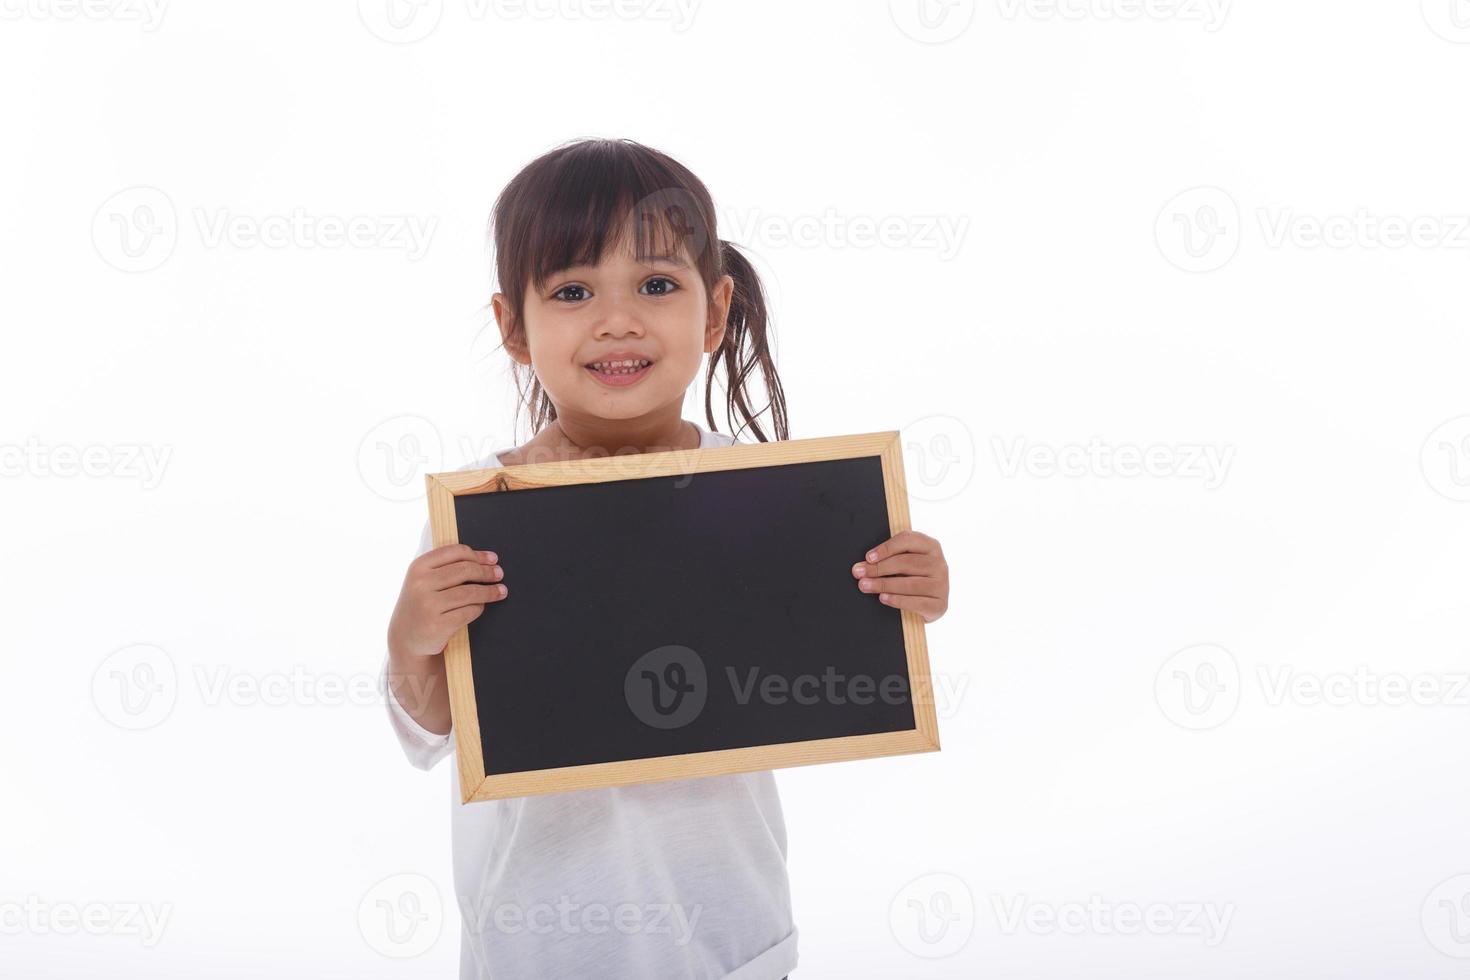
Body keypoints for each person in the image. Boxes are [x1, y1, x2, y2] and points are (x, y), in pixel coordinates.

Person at [379, 138, 951, 979]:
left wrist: (911, 589)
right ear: (514, 328)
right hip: (542, 939)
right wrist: (411, 635)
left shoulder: (770, 499)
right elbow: (433, 723)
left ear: (713, 312)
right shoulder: (479, 514)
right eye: (573, 291)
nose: (618, 320)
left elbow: (840, 650)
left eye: (657, 285)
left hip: (728, 931)